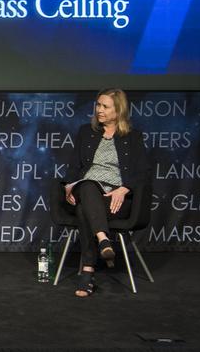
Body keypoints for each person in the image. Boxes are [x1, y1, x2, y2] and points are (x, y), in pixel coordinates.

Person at [62, 88, 151, 297]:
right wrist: (68, 185)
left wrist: (124, 188)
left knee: (85, 209)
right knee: (87, 185)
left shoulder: (133, 136)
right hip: (88, 188)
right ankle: (103, 240)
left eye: (105, 106)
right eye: (98, 105)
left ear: (118, 110)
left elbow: (144, 172)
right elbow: (74, 166)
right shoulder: (86, 131)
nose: (99, 110)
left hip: (116, 200)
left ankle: (87, 272)